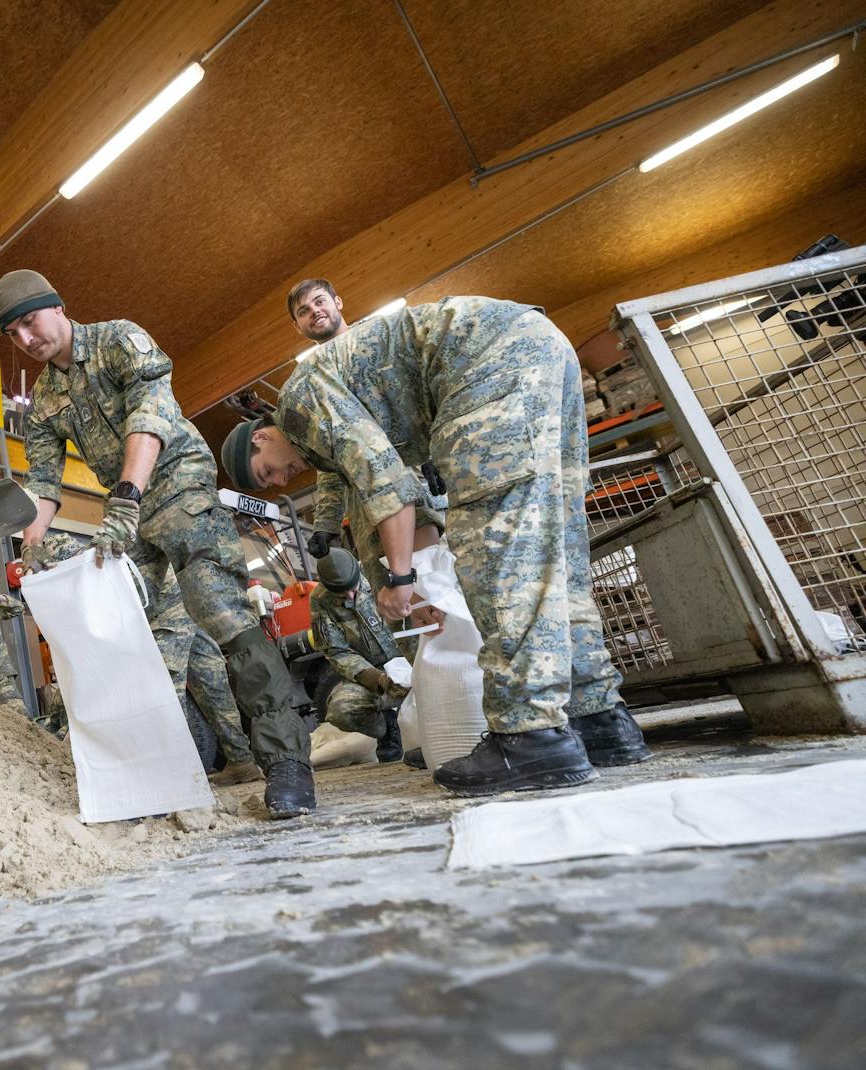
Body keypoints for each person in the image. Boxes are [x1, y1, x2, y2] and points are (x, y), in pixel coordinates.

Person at [221, 295, 651, 796]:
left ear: (259, 439)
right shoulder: (330, 434)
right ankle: (600, 718)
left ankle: (531, 736)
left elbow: (388, 486)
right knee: (555, 547)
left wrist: (402, 582)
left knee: (497, 557)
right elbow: (375, 505)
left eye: (269, 471)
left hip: (485, 362)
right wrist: (399, 581)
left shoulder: (299, 405)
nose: (284, 478)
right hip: (535, 347)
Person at [0, 270, 314, 817]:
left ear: (57, 307)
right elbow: (44, 483)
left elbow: (151, 415)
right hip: (129, 513)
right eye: (13, 335)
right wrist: (29, 551)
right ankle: (147, 777)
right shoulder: (46, 397)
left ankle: (288, 764)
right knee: (124, 632)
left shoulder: (121, 338)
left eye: (30, 321)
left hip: (178, 486)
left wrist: (123, 498)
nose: (27, 340)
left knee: (225, 618)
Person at [38, 531, 257, 780]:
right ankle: (242, 761)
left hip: (168, 615)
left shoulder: (101, 566)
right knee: (212, 685)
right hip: (186, 607)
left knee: (163, 694)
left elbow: (124, 620)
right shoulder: (95, 563)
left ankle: (179, 780)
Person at [287, 278, 445, 600]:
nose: (314, 312)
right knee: (402, 610)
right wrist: (325, 525)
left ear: (338, 302)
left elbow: (417, 392)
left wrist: (432, 453)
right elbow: (330, 463)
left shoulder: (376, 338)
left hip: (407, 484)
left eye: (320, 302)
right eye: (304, 311)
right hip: (365, 512)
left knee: (432, 586)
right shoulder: (314, 380)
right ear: (297, 326)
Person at [309, 548, 407, 763]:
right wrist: (377, 679)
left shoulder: (382, 573)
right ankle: (389, 728)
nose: (351, 597)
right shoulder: (320, 600)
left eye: (353, 589)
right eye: (342, 595)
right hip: (374, 675)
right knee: (341, 710)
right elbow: (337, 650)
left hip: (412, 663)